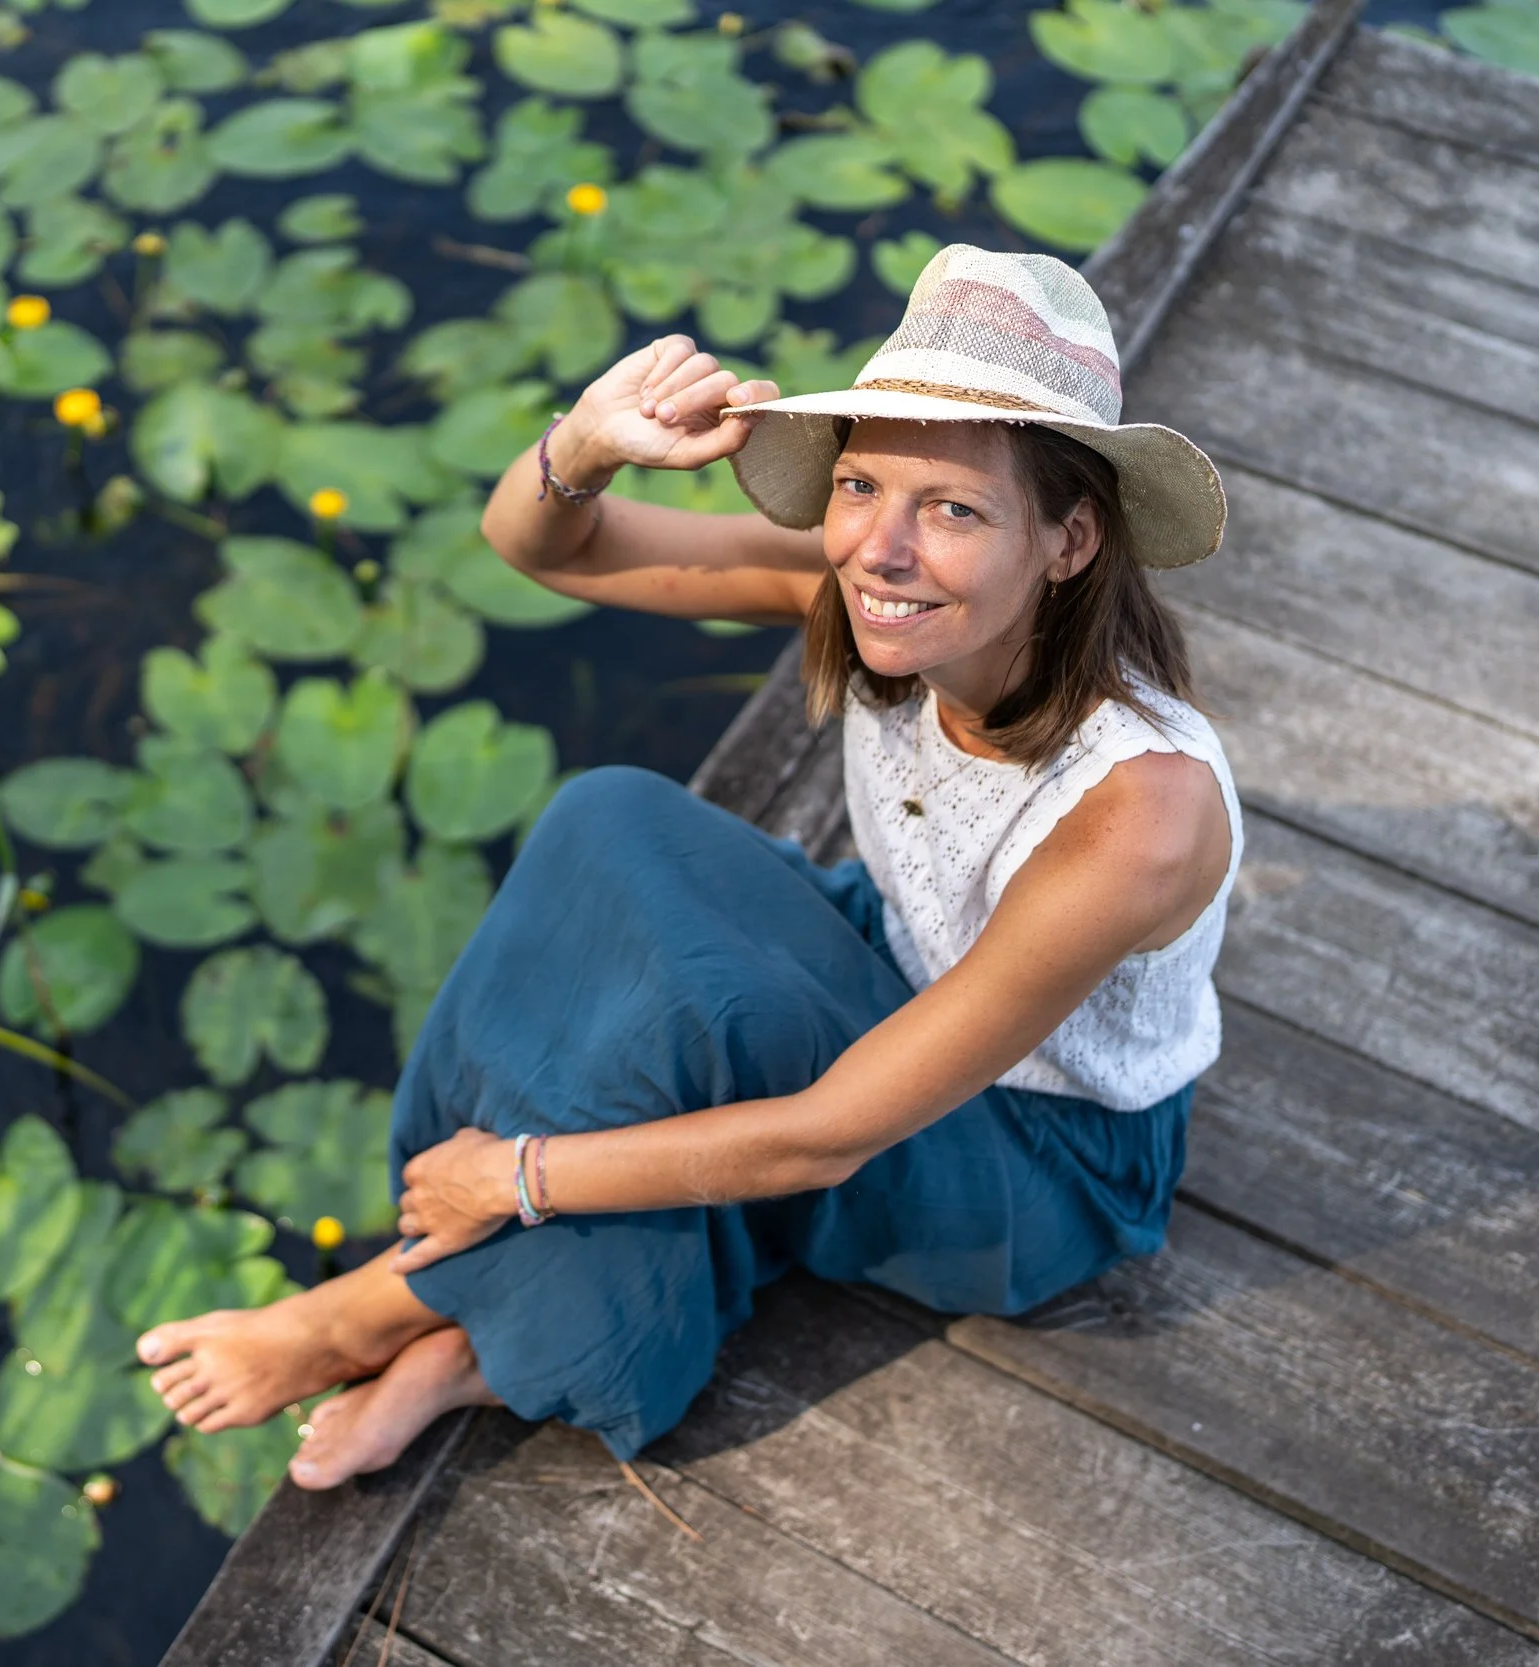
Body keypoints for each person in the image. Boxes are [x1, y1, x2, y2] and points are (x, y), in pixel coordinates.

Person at [134, 244, 1243, 1488]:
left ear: (1069, 539)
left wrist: (517, 1176)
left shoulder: (1136, 810)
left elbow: (826, 1136)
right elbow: (554, 550)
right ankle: (474, 1335)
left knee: (689, 1036)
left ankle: (379, 1313)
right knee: (611, 831)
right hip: (898, 964)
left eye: (954, 508)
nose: (880, 547)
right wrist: (586, 447)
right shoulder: (873, 600)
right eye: (862, 481)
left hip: (1046, 1162)